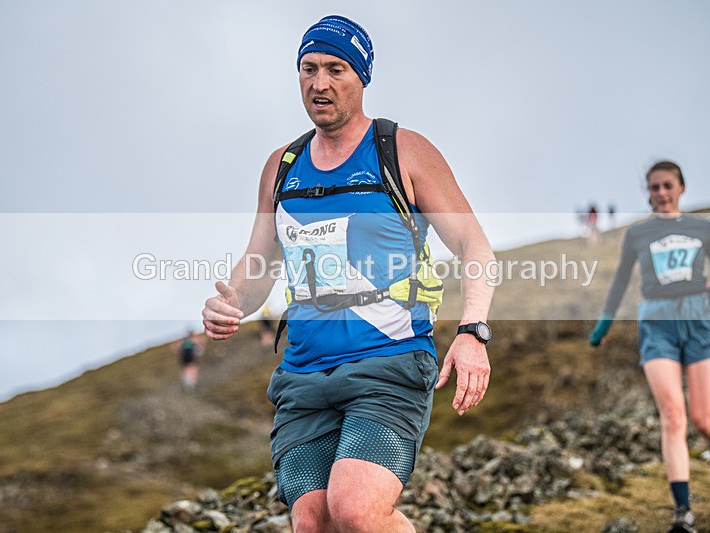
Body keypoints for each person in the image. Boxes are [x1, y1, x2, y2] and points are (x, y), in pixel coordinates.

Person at [202, 15, 495, 532]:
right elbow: (259, 265)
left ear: (362, 77)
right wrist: (231, 303)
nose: (320, 84)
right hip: (304, 374)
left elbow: (475, 246)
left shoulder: (401, 151)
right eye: (308, 69)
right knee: (313, 522)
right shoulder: (282, 165)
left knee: (356, 510)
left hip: (390, 361)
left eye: (336, 69)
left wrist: (473, 332)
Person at [589, 161, 710, 533]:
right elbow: (621, 280)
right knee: (673, 416)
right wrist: (605, 320)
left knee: (704, 420)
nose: (660, 193)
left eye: (666, 186)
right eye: (653, 187)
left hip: (700, 322)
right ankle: (683, 513)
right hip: (657, 326)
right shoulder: (638, 234)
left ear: (681, 188)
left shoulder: (702, 228)